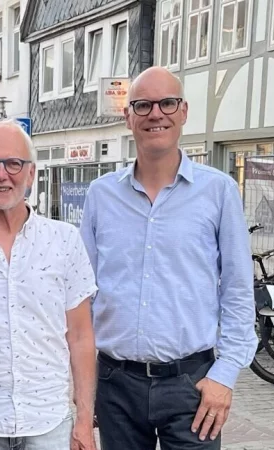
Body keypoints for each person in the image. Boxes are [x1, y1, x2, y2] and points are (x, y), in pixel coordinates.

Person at [79, 67, 257, 450]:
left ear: (183, 111)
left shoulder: (219, 192)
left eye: (167, 103)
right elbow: (82, 295)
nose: (155, 114)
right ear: (128, 116)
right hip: (115, 386)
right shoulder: (101, 196)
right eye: (142, 105)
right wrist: (83, 387)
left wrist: (224, 376)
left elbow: (240, 292)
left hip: (192, 385)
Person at [0, 119, 98, 449]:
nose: (1, 174)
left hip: (49, 424)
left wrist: (84, 420)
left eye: (14, 163)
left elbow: (82, 337)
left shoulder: (65, 241)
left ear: (31, 174)